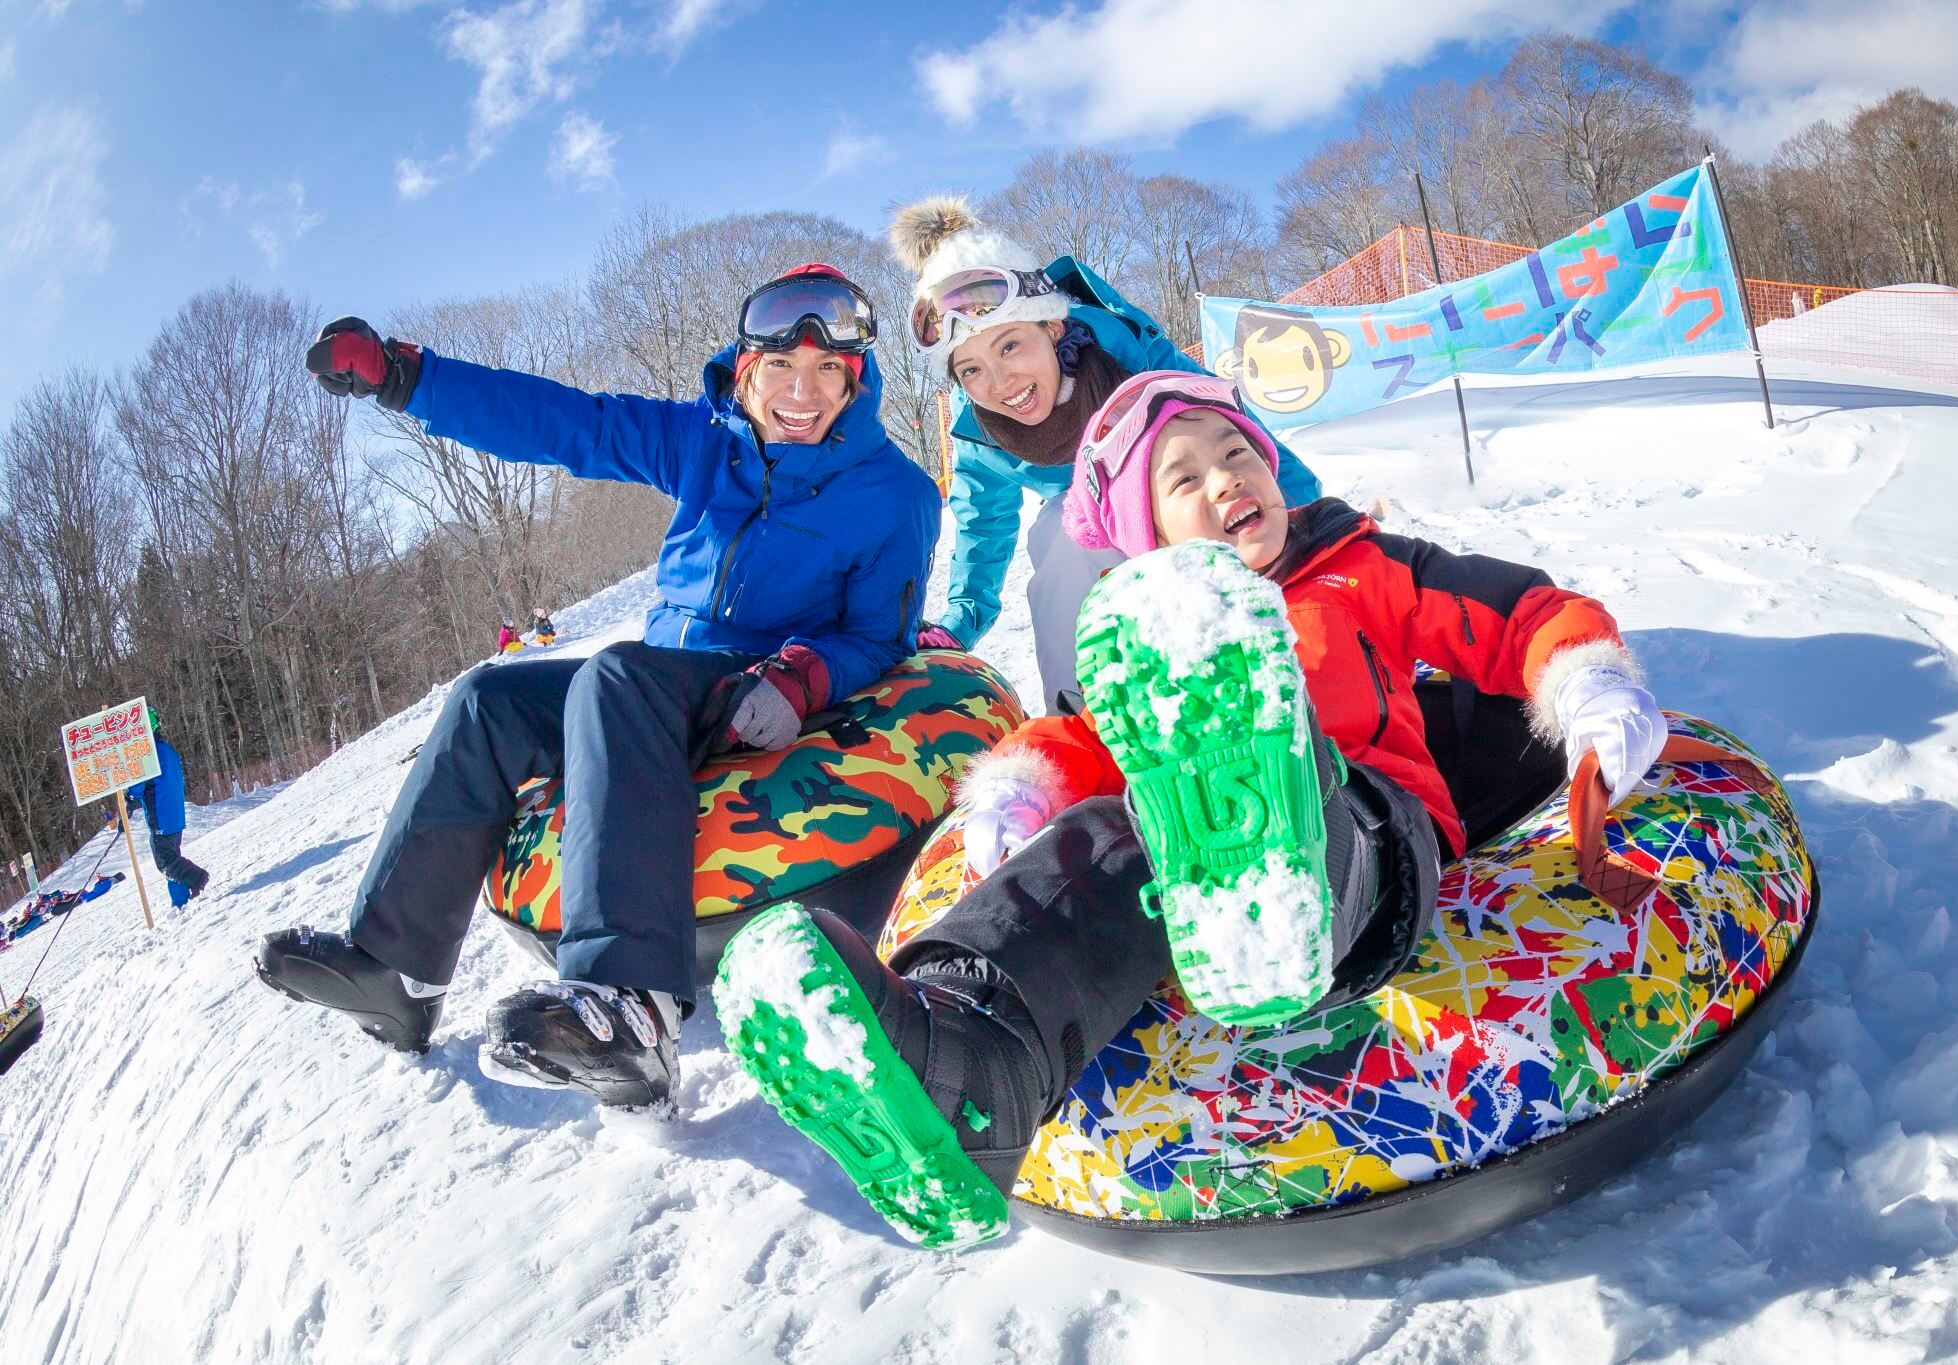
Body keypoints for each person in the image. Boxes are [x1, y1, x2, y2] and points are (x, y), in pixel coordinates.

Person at [716, 371, 1668, 1249]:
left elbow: (1516, 613)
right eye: (1185, 477)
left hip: (1372, 831)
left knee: (1306, 801)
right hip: (1187, 854)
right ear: (1150, 535)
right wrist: (1015, 793)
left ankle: (1282, 878)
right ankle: (966, 1065)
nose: (1226, 480)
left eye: (1239, 453)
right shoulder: (1145, 654)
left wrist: (1587, 684)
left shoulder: (1355, 566)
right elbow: (1082, 739)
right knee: (1109, 837)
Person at [256, 263, 941, 1108]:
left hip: (758, 688)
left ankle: (633, 1010)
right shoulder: (704, 441)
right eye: (781, 371)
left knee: (617, 677)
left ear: (855, 376)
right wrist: (409, 377)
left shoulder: (895, 493)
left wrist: (803, 676)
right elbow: (564, 423)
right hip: (659, 681)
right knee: (485, 699)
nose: (802, 394)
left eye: (826, 373)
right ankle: (395, 972)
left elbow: (880, 637)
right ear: (744, 369)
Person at [890, 197, 1322, 701]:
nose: (1001, 382)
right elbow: (981, 530)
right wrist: (958, 626)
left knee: (1193, 483)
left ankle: (1271, 667)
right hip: (1092, 536)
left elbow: (1237, 434)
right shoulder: (981, 432)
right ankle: (1079, 715)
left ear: (1052, 328)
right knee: (1060, 528)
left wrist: (1314, 519)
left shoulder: (1129, 357)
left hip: (1176, 508)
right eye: (971, 370)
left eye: (1009, 346)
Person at [137, 707, 211, 908]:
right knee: (172, 857)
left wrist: (127, 800)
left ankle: (197, 877)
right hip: (174, 815)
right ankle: (180, 901)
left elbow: (138, 785)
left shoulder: (147, 754)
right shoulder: (166, 750)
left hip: (161, 818)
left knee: (166, 863)